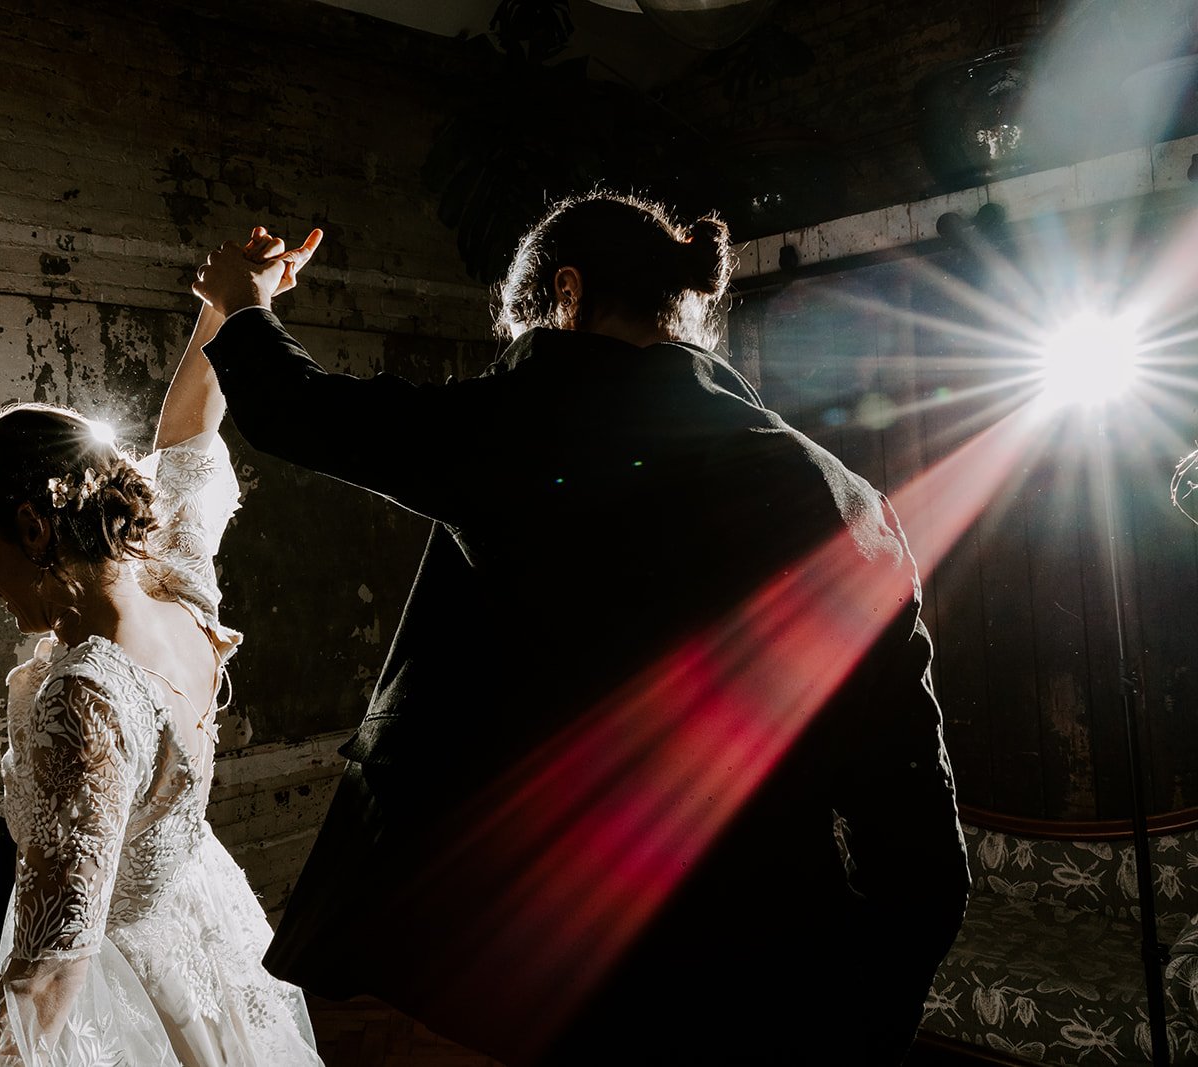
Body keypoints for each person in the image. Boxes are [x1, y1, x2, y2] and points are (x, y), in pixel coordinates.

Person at [191, 193, 970, 1065]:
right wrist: (858, 1028)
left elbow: (303, 409)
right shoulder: (843, 493)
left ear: (567, 293)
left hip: (563, 961)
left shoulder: (527, 430)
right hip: (771, 972)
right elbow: (918, 845)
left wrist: (245, 301)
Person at [0, 229, 324, 1067]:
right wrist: (224, 307)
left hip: (126, 990)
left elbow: (51, 968)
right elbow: (188, 432)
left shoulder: (86, 697)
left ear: (34, 527)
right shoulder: (172, 576)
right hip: (201, 923)